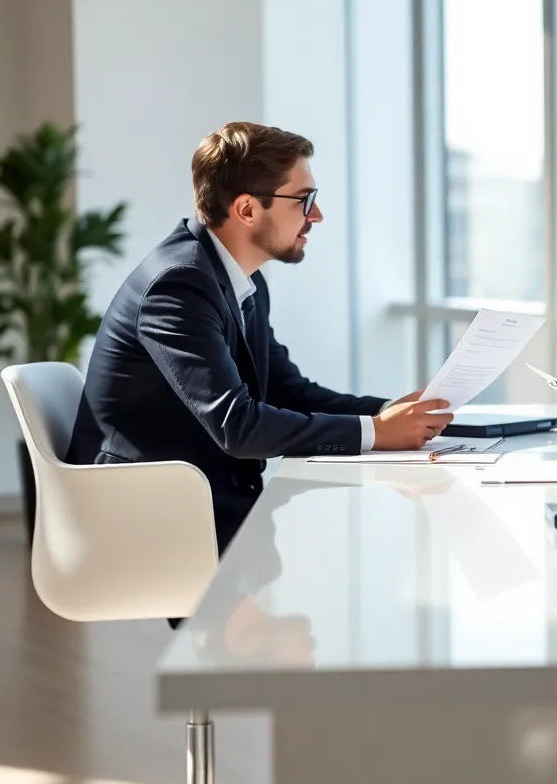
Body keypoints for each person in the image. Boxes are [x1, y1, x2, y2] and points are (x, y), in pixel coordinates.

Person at [67, 121, 453, 555]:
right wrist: (375, 432)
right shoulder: (179, 285)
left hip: (200, 496)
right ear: (248, 210)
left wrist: (388, 413)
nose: (317, 215)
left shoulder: (238, 279)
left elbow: (288, 392)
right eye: (304, 200)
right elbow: (239, 425)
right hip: (145, 515)